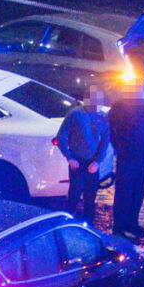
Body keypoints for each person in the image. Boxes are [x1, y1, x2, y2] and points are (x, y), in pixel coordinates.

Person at [55, 87, 111, 221]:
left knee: (90, 196)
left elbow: (105, 140)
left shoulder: (102, 117)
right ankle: (67, 220)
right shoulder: (75, 114)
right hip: (77, 160)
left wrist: (97, 162)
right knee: (74, 193)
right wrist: (69, 158)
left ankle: (88, 223)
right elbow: (62, 135)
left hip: (92, 162)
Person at [108, 84, 144, 238]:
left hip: (141, 157)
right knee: (123, 193)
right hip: (127, 157)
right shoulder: (120, 106)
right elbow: (112, 129)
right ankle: (118, 227)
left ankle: (132, 223)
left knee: (137, 192)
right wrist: (120, 146)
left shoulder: (143, 106)